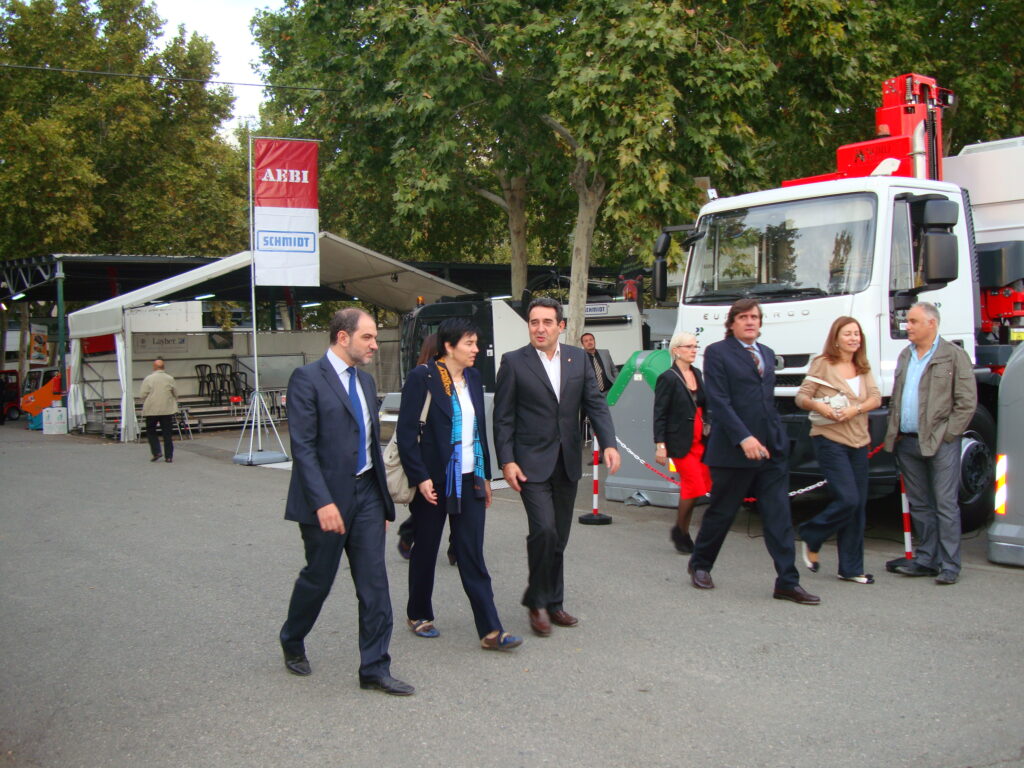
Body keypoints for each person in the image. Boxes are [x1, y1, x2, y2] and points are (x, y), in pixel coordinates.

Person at [279, 308, 413, 696]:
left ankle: (374, 667)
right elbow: (303, 447)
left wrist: (381, 502)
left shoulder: (367, 383)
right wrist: (322, 502)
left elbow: (372, 444)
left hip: (367, 496)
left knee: (374, 585)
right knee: (318, 579)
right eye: (368, 337)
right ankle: (292, 637)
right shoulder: (307, 379)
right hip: (324, 500)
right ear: (343, 337)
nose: (374, 344)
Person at [493, 297, 622, 637]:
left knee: (559, 538)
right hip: (529, 465)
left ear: (560, 326)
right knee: (544, 531)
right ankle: (536, 602)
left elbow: (596, 404)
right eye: (534, 322)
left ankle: (554, 602)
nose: (540, 328)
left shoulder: (578, 358)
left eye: (547, 322)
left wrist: (609, 443)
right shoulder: (513, 362)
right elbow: (503, 418)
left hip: (566, 462)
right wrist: (506, 460)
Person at [396, 318, 522, 651]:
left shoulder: (474, 378)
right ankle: (418, 613)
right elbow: (407, 434)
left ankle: (491, 630)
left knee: (471, 553)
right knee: (425, 549)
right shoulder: (422, 378)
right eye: (470, 343)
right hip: (434, 480)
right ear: (449, 346)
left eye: (476, 343)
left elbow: (477, 430)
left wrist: (484, 475)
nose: (476, 350)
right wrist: (420, 477)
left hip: (469, 478)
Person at [687, 298, 820, 605]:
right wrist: (743, 438)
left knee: (779, 516)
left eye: (755, 317)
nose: (750, 322)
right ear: (732, 323)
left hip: (770, 449)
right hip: (733, 450)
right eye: (744, 317)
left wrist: (776, 439)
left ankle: (787, 581)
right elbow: (719, 401)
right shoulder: (718, 353)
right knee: (722, 513)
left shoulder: (768, 354)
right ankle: (701, 564)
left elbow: (764, 401)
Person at [883, 302, 977, 585]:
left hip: (940, 443)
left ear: (931, 324)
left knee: (945, 504)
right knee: (920, 504)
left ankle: (950, 565)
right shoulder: (905, 355)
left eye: (912, 321)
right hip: (908, 442)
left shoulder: (953, 356)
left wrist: (949, 435)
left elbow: (967, 402)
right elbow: (897, 397)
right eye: (907, 321)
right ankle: (926, 559)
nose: (907, 326)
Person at [794, 316, 882, 584]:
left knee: (858, 508)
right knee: (848, 499)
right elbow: (802, 397)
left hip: (858, 440)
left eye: (857, 333)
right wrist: (822, 407)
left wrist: (856, 409)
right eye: (848, 334)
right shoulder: (822, 364)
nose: (854, 338)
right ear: (836, 338)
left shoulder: (863, 366)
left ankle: (852, 568)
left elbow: (875, 398)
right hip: (829, 439)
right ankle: (811, 533)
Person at [396, 334, 455, 563]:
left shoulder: (457, 378)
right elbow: (407, 429)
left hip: (453, 460)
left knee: (453, 506)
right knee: (430, 509)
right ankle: (410, 533)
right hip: (428, 461)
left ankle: (454, 547)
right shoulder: (421, 376)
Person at [653, 331, 712, 554]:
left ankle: (682, 531)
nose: (694, 350)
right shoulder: (667, 377)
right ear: (676, 350)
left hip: (701, 440)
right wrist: (660, 445)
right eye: (689, 347)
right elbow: (660, 414)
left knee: (698, 488)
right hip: (681, 442)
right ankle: (680, 531)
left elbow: (707, 404)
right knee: (693, 485)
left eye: (695, 346)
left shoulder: (697, 373)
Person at [139, 359, 177, 463]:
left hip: (152, 410)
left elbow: (142, 394)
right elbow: (176, 393)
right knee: (167, 433)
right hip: (167, 409)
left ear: (154, 367)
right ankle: (169, 457)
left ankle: (157, 452)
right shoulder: (170, 378)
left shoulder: (148, 379)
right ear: (163, 367)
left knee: (151, 431)